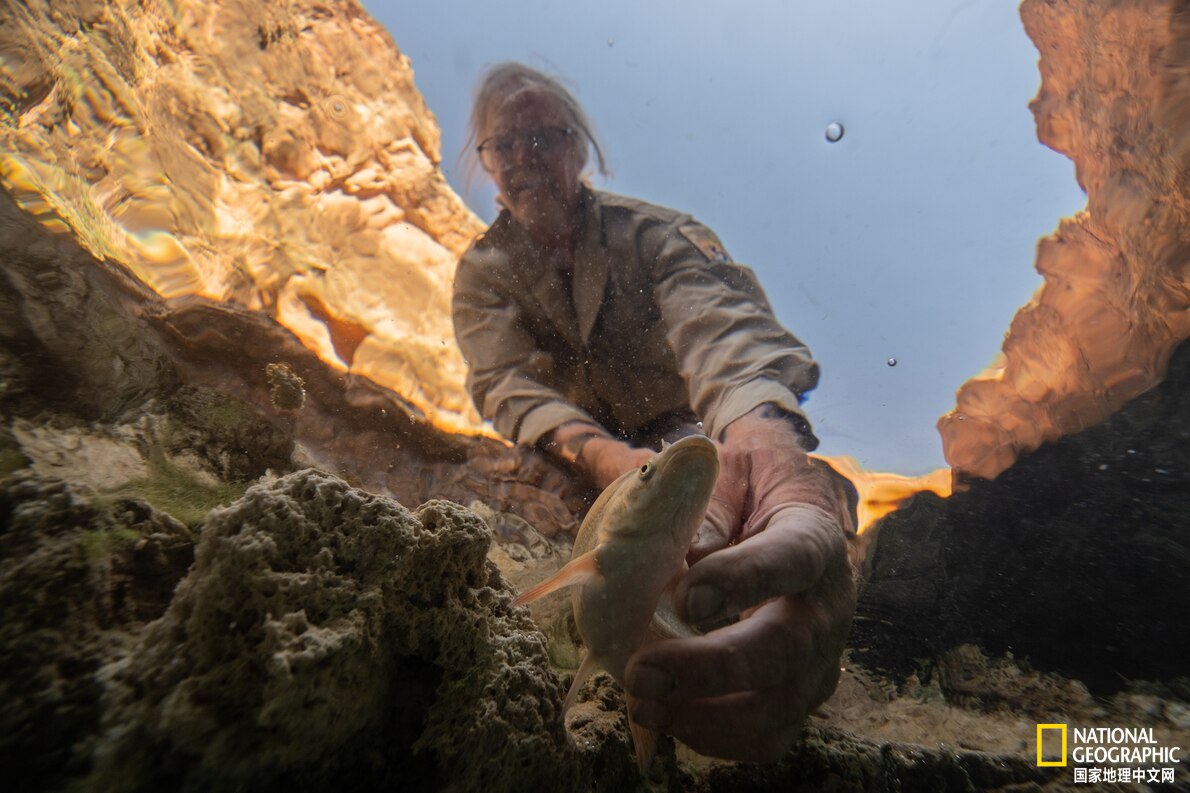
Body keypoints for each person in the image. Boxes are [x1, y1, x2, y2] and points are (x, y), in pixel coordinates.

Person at [452, 62, 857, 763]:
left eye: (543, 136)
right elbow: (505, 384)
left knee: (777, 494)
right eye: (503, 145)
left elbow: (721, 323)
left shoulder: (658, 236)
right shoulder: (481, 274)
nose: (523, 159)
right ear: (486, 163)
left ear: (578, 148)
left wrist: (756, 426)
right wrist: (601, 454)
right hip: (569, 461)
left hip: (685, 448)